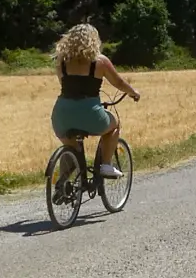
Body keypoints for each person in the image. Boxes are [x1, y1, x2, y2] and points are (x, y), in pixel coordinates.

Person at [50, 23, 140, 179]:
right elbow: (119, 83)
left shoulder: (61, 61)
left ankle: (62, 183)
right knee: (114, 125)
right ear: (94, 40)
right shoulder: (100, 61)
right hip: (90, 114)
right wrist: (133, 93)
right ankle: (106, 165)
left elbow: (64, 84)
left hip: (61, 116)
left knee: (71, 146)